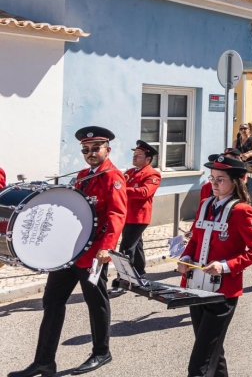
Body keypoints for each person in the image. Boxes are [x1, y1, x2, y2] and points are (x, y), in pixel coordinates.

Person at [10, 127, 127, 377]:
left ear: (108, 148)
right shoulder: (83, 175)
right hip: (68, 253)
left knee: (96, 303)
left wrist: (107, 247)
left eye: (96, 147)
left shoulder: (113, 177)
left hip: (93, 252)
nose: (90, 152)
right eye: (86, 149)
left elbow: (118, 214)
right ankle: (44, 361)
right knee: (52, 302)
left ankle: (101, 352)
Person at [176, 155, 252, 377]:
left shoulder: (241, 211)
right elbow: (196, 240)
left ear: (236, 182)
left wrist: (226, 266)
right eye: (212, 178)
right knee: (211, 352)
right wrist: (186, 258)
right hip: (195, 286)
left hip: (222, 293)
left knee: (199, 363)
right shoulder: (206, 204)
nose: (214, 184)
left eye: (221, 180)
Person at [108, 140, 162, 298]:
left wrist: (123, 189)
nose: (135, 157)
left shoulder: (152, 174)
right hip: (127, 215)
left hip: (139, 217)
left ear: (148, 159)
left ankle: (123, 281)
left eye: (138, 155)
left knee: (126, 249)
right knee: (136, 246)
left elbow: (144, 192)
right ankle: (140, 274)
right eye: (134, 155)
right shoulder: (130, 172)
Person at [235, 123, 252, 206]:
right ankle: (245, 203)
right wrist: (237, 157)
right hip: (240, 165)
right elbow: (233, 152)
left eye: (245, 128)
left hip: (251, 165)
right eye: (241, 128)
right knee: (241, 186)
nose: (243, 130)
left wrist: (249, 154)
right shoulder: (236, 141)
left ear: (249, 130)